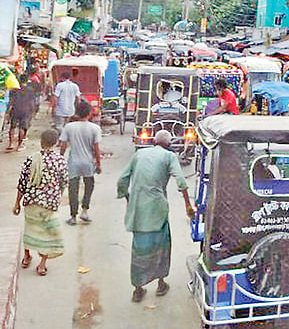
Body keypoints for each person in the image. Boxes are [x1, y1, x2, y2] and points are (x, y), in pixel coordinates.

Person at [117, 130, 193, 303]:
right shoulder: (169, 156)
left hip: (138, 210)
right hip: (158, 209)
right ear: (169, 144)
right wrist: (188, 205)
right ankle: (161, 284)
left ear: (154, 142)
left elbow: (122, 179)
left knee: (139, 249)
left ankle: (138, 289)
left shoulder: (139, 154)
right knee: (162, 246)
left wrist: (128, 198)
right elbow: (181, 181)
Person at [14, 129, 68, 276]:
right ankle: (42, 264)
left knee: (30, 229)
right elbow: (64, 182)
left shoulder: (32, 158)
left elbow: (22, 183)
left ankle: (26, 256)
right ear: (56, 143)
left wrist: (17, 203)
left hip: (31, 201)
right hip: (49, 203)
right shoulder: (60, 160)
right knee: (47, 233)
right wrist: (57, 196)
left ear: (41, 141)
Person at [59, 100, 102, 226]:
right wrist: (98, 164)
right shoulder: (95, 128)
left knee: (73, 188)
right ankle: (84, 210)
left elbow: (63, 145)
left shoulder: (69, 127)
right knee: (89, 185)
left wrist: (61, 159)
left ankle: (73, 216)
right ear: (89, 113)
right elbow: (96, 148)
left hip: (73, 162)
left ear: (76, 113)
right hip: (88, 163)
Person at [7, 77, 37, 152]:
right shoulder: (30, 90)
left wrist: (8, 111)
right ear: (27, 80)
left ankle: (11, 144)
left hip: (15, 109)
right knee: (22, 127)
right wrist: (32, 112)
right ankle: (19, 146)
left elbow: (11, 101)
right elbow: (32, 102)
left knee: (12, 127)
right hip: (26, 110)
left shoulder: (14, 90)